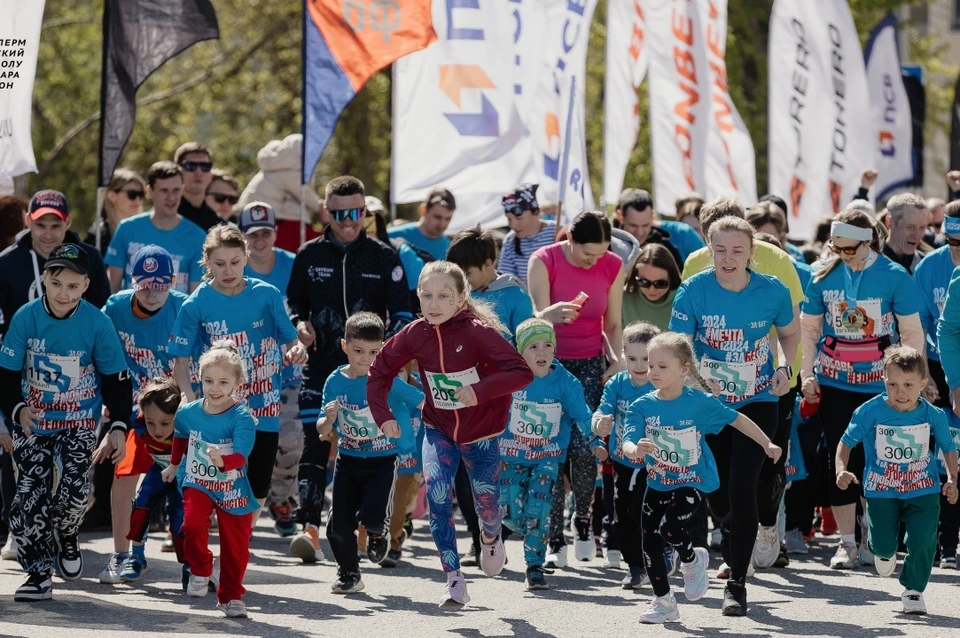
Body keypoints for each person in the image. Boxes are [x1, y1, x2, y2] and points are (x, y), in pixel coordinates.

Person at [367, 261, 533, 607]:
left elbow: (521, 372)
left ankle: (490, 536)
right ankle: (453, 578)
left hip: (482, 433)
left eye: (443, 296)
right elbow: (379, 371)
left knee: (487, 505)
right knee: (439, 494)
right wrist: (382, 417)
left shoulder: (478, 332)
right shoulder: (415, 333)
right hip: (438, 428)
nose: (434, 304)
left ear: (461, 298)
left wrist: (480, 390)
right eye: (426, 295)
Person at [670, 215, 799, 610]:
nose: (728, 258)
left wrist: (784, 369)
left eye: (737, 250)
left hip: (758, 399)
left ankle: (736, 585)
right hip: (710, 406)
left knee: (743, 488)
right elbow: (678, 345)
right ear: (710, 250)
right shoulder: (693, 290)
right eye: (720, 250)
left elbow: (790, 334)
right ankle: (727, 526)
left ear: (751, 253)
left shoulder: (771, 291)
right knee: (718, 497)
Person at [169, 224, 308, 589]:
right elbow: (180, 360)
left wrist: (297, 348)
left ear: (247, 258)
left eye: (235, 261)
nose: (228, 270)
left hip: (262, 406)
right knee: (207, 491)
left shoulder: (267, 294)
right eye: (219, 263)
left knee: (255, 490)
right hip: (217, 412)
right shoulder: (196, 302)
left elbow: (289, 338)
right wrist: (187, 397)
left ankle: (232, 556)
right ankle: (205, 563)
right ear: (207, 263)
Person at [286, 175, 413, 562]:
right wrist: (300, 326)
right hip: (324, 366)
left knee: (371, 452)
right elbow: (294, 304)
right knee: (315, 442)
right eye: (339, 213)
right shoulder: (309, 255)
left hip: (372, 373)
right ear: (327, 211)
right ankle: (307, 527)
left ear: (366, 212)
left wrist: (387, 359)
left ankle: (371, 527)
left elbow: (404, 313)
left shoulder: (383, 256)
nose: (347, 220)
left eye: (355, 212)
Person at [0, 243, 132, 602]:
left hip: (78, 422)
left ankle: (68, 534)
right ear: (45, 279)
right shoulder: (26, 318)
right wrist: (17, 411)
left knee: (73, 494)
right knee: (29, 496)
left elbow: (117, 379)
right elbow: (6, 375)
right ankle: (39, 573)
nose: (63, 293)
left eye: (73, 287)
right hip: (34, 422)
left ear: (86, 286)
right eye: (57, 283)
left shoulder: (97, 323)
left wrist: (118, 425)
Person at [622, 332, 782, 622]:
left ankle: (692, 559)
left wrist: (765, 442)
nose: (652, 371)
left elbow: (737, 419)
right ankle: (664, 601)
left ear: (684, 369)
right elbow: (628, 439)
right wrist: (635, 449)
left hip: (690, 481)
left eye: (661, 366)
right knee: (649, 541)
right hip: (658, 481)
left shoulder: (699, 402)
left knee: (670, 528)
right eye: (650, 364)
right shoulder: (642, 405)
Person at [800, 209, 925, 569]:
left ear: (867, 242)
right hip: (834, 379)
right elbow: (809, 332)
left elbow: (912, 332)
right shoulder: (822, 273)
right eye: (835, 248)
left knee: (881, 460)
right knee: (842, 457)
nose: (842, 255)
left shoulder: (894, 276)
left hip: (880, 382)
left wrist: (912, 379)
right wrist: (807, 374)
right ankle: (846, 543)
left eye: (849, 249)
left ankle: (875, 535)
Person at [528, 210, 625, 567]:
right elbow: (532, 319)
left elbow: (613, 323)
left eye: (600, 253)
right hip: (549, 364)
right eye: (587, 254)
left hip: (590, 363)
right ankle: (554, 537)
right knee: (551, 447)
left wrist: (616, 360)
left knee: (586, 446)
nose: (593, 261)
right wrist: (547, 315)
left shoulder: (612, 265)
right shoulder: (544, 260)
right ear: (569, 240)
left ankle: (582, 518)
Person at [835, 346, 958, 615]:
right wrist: (841, 469)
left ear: (923, 384)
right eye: (893, 384)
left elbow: (949, 447)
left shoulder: (932, 415)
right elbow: (846, 442)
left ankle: (914, 591)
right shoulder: (870, 411)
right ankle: (882, 549)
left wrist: (951, 479)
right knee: (882, 545)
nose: (900, 391)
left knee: (923, 540)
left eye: (908, 384)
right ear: (884, 381)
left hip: (922, 489)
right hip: (881, 490)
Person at [98, 245, 192, 584]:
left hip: (176, 415)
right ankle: (121, 554)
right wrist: (106, 402)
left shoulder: (185, 308)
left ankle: (194, 561)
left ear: (173, 281)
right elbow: (101, 356)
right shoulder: (115, 307)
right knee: (123, 478)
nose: (152, 292)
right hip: (137, 411)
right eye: (144, 284)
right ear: (131, 281)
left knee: (187, 492)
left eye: (161, 284)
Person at [317, 312, 424, 593]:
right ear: (344, 346)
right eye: (358, 351)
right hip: (348, 460)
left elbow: (421, 401)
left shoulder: (385, 379)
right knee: (338, 525)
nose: (366, 359)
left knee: (372, 517)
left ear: (383, 348)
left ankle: (379, 532)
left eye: (374, 352)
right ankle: (349, 574)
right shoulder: (335, 382)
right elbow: (322, 425)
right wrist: (328, 420)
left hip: (382, 461)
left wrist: (454, 414)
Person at [165, 340, 258, 618]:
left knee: (236, 545)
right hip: (197, 479)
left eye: (223, 382)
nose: (214, 388)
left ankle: (231, 596)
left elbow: (241, 455)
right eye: (208, 381)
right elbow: (181, 437)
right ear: (200, 380)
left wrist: (222, 461)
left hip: (232, 485)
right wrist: (172, 465)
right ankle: (201, 567)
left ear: (237, 383)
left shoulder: (241, 417)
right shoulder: (188, 412)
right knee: (191, 525)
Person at [499, 319, 592, 590]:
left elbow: (582, 415)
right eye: (533, 347)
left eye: (548, 346)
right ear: (519, 352)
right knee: (511, 514)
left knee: (538, 512)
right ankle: (508, 533)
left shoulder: (564, 381)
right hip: (511, 456)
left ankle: (534, 566)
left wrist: (596, 436)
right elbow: (487, 404)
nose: (542, 353)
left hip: (547, 457)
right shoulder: (509, 376)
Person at [237, 202, 303, 537]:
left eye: (266, 232)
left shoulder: (295, 264)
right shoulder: (236, 270)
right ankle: (232, 510)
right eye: (252, 234)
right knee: (242, 445)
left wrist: (304, 328)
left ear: (275, 233)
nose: (260, 240)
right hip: (244, 375)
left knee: (290, 441)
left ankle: (279, 497)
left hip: (288, 371)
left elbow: (307, 305)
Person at [592, 321, 660, 589]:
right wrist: (600, 424)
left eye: (646, 359)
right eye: (632, 358)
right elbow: (601, 411)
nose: (639, 365)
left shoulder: (661, 383)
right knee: (620, 515)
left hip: (653, 463)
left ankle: (663, 551)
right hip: (621, 460)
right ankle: (635, 566)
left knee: (644, 511)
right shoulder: (618, 383)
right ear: (622, 356)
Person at [0, 190, 111, 337]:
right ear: (28, 221)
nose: (48, 234)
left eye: (55, 226)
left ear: (67, 222)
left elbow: (102, 315)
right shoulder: (6, 262)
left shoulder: (90, 258)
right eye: (40, 225)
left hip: (77, 353)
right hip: (20, 354)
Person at [110, 378, 185, 585]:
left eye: (164, 423)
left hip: (185, 478)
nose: (157, 430)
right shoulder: (139, 419)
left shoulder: (187, 423)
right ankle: (137, 558)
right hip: (159, 473)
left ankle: (192, 566)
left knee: (181, 522)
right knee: (140, 505)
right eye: (151, 423)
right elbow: (119, 419)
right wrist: (109, 432)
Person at [105, 161, 206, 295]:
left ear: (182, 189)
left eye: (176, 190)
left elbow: (195, 297)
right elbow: (112, 288)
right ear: (150, 191)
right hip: (131, 314)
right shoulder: (127, 229)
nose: (171, 197)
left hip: (177, 315)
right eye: (164, 190)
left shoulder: (197, 236)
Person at [237, 134, 323, 252]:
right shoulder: (289, 171)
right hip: (275, 218)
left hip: (256, 213)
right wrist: (320, 207)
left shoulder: (276, 164)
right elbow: (304, 193)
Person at [446, 227, 533, 339]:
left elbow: (526, 343)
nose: (461, 281)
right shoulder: (454, 293)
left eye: (466, 274)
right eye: (457, 275)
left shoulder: (517, 296)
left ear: (487, 264)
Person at [498, 184, 557, 286]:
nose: (513, 225)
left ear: (536, 212)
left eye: (519, 218)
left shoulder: (556, 231)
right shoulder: (510, 240)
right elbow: (505, 279)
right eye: (509, 219)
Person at [615, 188, 683, 267]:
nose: (640, 232)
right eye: (633, 225)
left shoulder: (666, 249)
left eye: (645, 225)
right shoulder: (608, 246)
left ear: (652, 216)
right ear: (620, 217)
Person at [622, 244, 681, 331]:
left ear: (672, 278)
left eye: (660, 283)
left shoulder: (684, 300)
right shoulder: (622, 297)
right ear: (635, 276)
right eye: (643, 282)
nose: (651, 290)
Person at [87, 168, 146, 255]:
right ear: (112, 196)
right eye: (132, 194)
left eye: (141, 194)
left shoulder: (146, 232)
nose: (138, 200)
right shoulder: (97, 238)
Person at [388, 187, 456, 260]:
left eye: (448, 219)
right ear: (424, 210)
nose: (442, 224)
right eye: (437, 217)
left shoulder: (451, 249)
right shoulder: (390, 236)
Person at [174, 141, 222, 232]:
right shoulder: (162, 216)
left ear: (210, 174)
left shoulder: (216, 224)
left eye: (205, 166)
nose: (199, 173)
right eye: (191, 166)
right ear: (177, 172)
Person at [883, 193, 930, 275]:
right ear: (890, 222)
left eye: (922, 228)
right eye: (910, 227)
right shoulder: (867, 263)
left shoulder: (927, 266)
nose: (917, 234)